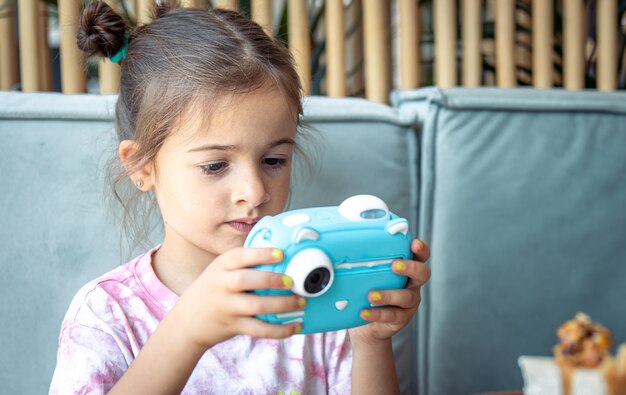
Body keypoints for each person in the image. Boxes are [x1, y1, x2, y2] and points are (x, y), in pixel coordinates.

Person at [49, 1, 431, 394]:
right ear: (141, 168)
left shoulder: (315, 289)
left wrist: (369, 340)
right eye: (215, 166)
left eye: (273, 160)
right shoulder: (108, 314)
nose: (256, 192)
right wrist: (188, 329)